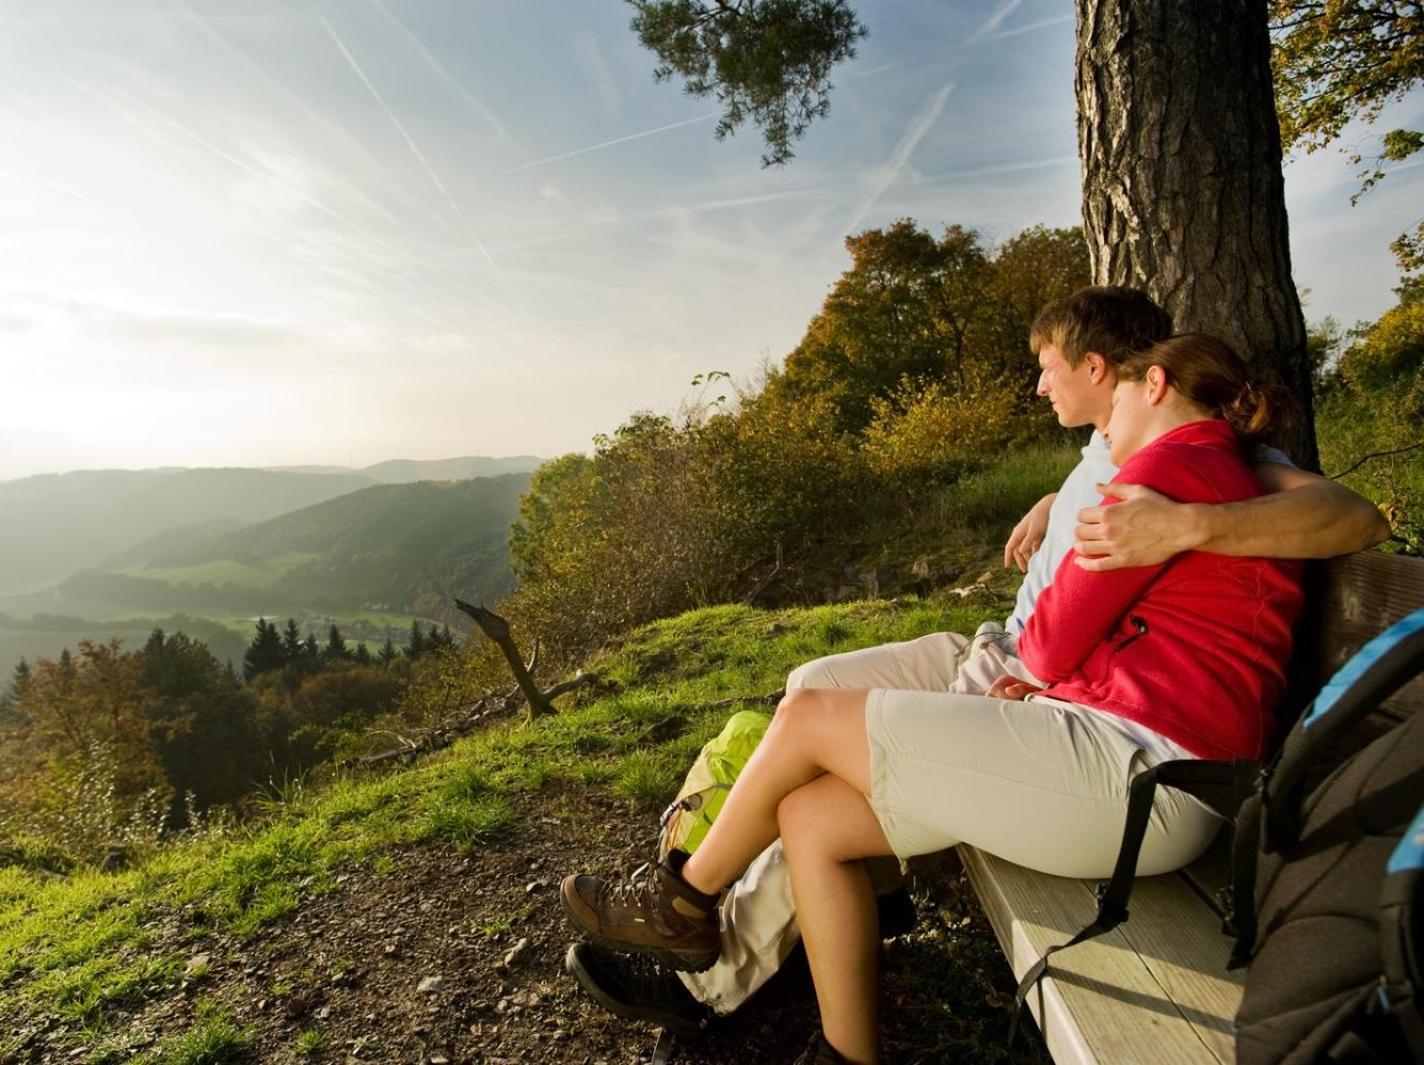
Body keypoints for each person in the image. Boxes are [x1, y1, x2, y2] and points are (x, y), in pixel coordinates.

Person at [559, 299, 1390, 1058]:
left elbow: (1067, 636)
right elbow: (1148, 639)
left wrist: (1157, 545)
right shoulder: (1153, 464)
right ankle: (844, 1043)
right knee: (811, 812)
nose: (1097, 430)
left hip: (1145, 779)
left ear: (1149, 383)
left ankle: (684, 904)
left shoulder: (1173, 471)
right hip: (1144, 758)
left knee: (811, 715)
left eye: (1059, 371)